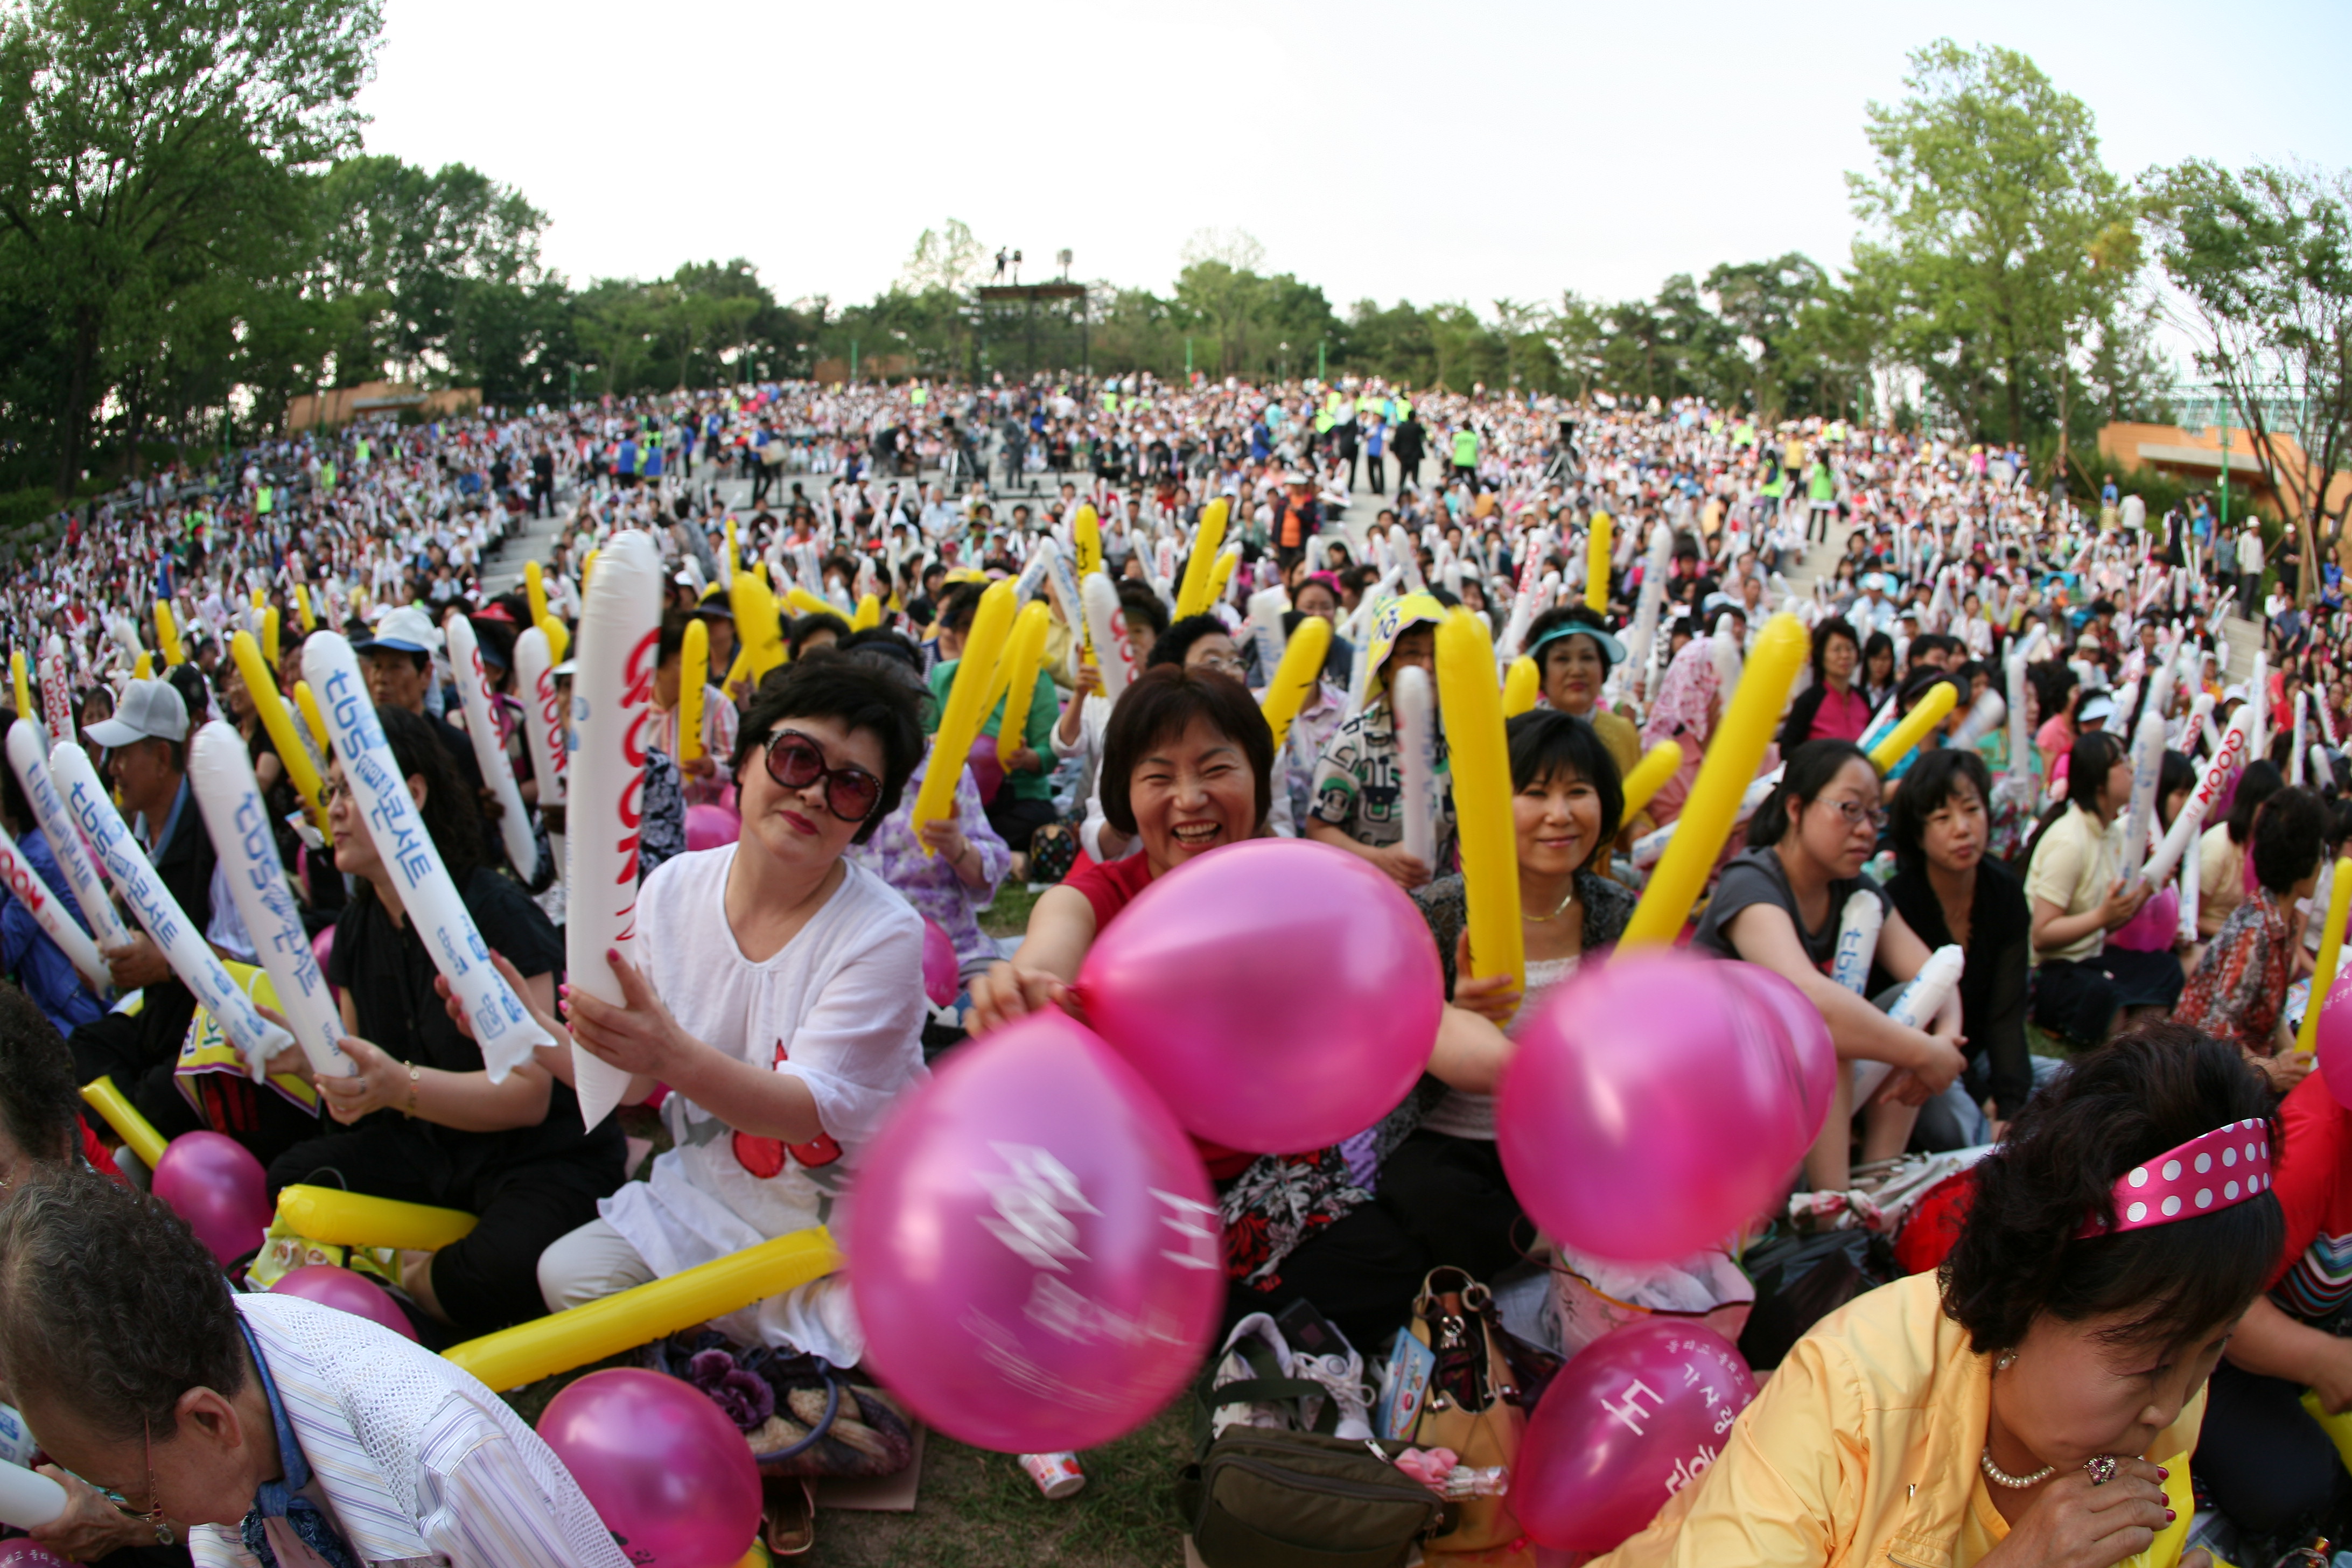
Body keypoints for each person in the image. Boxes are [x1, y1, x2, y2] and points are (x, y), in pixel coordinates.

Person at [1594, 1025, 2280, 1568]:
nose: (2173, 1404)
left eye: (2211, 1349)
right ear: (2029, 1293)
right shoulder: (1849, 1396)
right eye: (2150, 1364)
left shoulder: (2158, 1404)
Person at [970, 666, 1435, 1353]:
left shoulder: (1302, 887)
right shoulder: (1095, 896)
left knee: (1389, 1272)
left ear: (1256, 775)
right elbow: (1051, 946)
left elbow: (1403, 1008)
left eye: (1216, 768)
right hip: (1129, 1178)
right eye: (1159, 777)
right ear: (1127, 795)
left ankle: (1189, 1313)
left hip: (1270, 1172)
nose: (1191, 799)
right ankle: (1207, 1308)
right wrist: (1026, 986)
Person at [534, 659, 927, 1367]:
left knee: (899, 1342)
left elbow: (805, 1111)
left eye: (850, 786)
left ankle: (723, 1340)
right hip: (709, 1199)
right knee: (568, 1276)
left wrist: (666, 1057)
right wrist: (519, 1030)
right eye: (797, 758)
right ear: (744, 761)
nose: (812, 795)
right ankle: (759, 1351)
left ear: (867, 818)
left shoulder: (884, 932)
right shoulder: (670, 891)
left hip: (844, 1231)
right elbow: (624, 1086)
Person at [0, 1167, 632, 1568]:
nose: (141, 1515)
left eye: (135, 1494)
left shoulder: (449, 1471)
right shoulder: (219, 1367)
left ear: (210, 1420)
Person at [263, 706, 623, 1336]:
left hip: (538, 1158)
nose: (335, 809)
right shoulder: (357, 926)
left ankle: (416, 1295)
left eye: (349, 788)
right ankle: (411, 1294)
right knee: (295, 1174)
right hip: (431, 1151)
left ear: (413, 793)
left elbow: (528, 1098)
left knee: (504, 1262)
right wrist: (320, 1067)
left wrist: (399, 1086)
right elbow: (365, 1077)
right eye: (330, 792)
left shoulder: (495, 911)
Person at [1386, 710, 1635, 1282]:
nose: (1560, 814)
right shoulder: (1442, 911)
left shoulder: (1620, 914)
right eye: (1535, 792)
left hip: (1568, 1142)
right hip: (1454, 1144)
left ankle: (1547, 1241)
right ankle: (1552, 1243)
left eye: (1579, 791)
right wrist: (1458, 1016)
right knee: (1432, 1195)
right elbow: (1392, 1055)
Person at [1692, 739, 1966, 1192]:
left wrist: (1944, 1039)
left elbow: (1934, 975)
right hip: (1717, 1086)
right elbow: (1809, 999)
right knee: (1826, 1026)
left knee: (1907, 1002)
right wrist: (1923, 1054)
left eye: (1875, 815)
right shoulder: (1750, 881)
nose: (1865, 830)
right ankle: (1833, 1210)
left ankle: (1878, 1184)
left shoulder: (1853, 886)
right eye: (1850, 809)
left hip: (1796, 1085)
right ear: (1796, 808)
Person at [2203, 1070, 2352, 1537]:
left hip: (2316, 1316)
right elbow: (2224, 1305)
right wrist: (2328, 1363)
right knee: (2304, 1495)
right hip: (2214, 1350)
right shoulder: (2312, 1148)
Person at [1885, 748, 2036, 1149]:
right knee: (1959, 1126)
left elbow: (2007, 1013)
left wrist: (2008, 1106)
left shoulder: (2004, 891)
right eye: (1942, 818)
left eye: (1972, 810)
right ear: (1917, 834)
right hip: (1918, 1057)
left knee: (2065, 1084)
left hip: (1983, 1053)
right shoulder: (1900, 903)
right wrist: (1982, 1097)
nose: (1963, 829)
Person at [2026, 731, 2185, 1045]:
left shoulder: (2112, 833)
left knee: (2167, 967)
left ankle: (2134, 1046)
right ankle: (2129, 1045)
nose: (2132, 770)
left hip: (2092, 959)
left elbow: (2111, 918)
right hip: (2050, 971)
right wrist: (2102, 916)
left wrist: (2148, 890)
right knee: (2104, 995)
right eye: (2122, 763)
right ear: (2100, 782)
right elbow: (2042, 935)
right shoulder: (2069, 841)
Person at [2176, 785, 2325, 1088]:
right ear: (2303, 864)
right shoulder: (2255, 933)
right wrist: (2274, 1069)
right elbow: (2215, 1033)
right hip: (2195, 1076)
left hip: (2242, 1071)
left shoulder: (2284, 920)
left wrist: (2293, 1056)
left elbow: (2272, 1011)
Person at [1306, 592, 1454, 891]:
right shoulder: (1354, 741)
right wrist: (1380, 859)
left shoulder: (1462, 738)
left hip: (1447, 904)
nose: (1427, 666)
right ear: (1386, 667)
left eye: (1437, 653)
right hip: (1368, 895)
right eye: (1412, 653)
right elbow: (1318, 828)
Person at [1520, 605, 1641, 780]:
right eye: (1562, 659)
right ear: (1542, 673)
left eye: (1587, 658)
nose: (1577, 670)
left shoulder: (1624, 733)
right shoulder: (1522, 733)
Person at [2197, 760, 2284, 941]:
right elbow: (2192, 919)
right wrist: (2238, 935)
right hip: (2206, 940)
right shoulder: (2218, 845)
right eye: (2267, 809)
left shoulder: (2264, 847)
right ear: (2251, 803)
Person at [1778, 619, 1872, 749]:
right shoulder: (1808, 702)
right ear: (1821, 655)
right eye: (1837, 650)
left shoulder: (1863, 698)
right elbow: (1788, 750)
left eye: (1850, 648)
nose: (1845, 655)